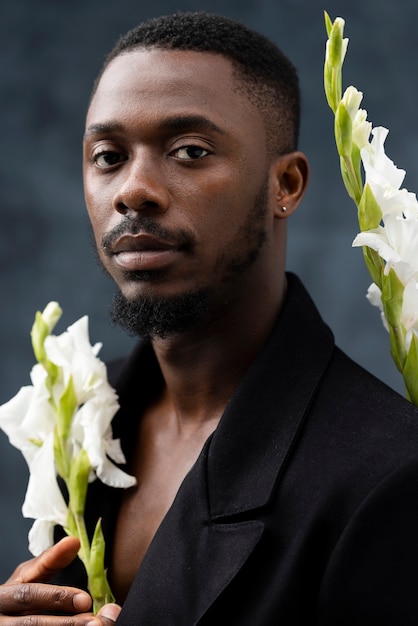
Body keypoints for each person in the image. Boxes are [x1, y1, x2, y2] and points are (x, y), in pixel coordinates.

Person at [2, 10, 418, 625]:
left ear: (287, 184)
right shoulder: (80, 417)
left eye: (190, 151)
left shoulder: (390, 474)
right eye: (108, 155)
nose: (133, 190)